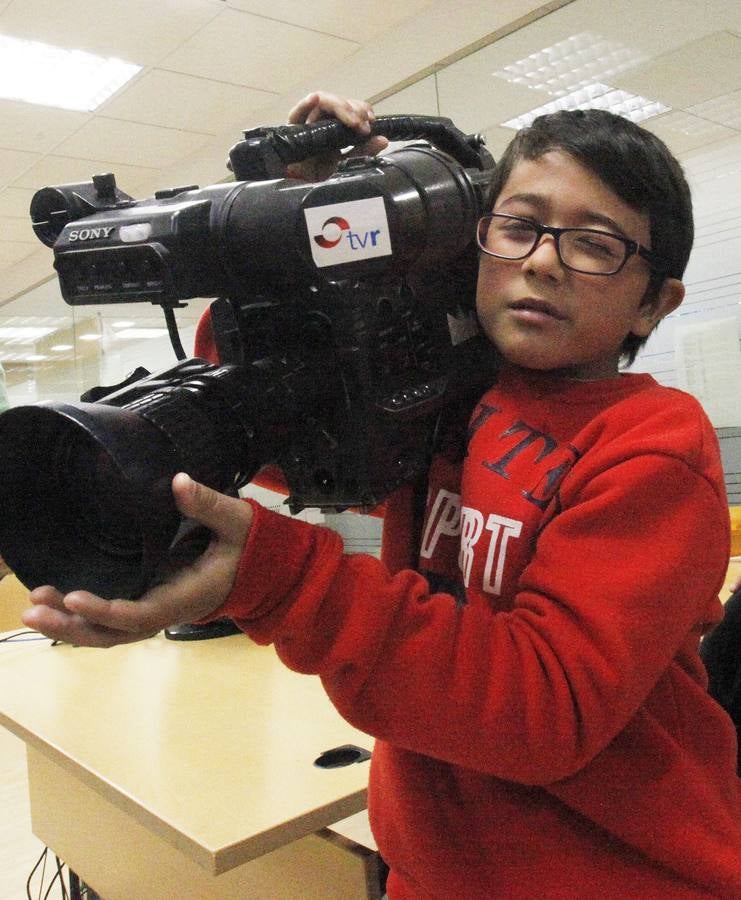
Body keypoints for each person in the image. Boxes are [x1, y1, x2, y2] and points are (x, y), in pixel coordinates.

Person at [22, 91, 741, 897]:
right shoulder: (449, 394)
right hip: (429, 872)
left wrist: (277, 579)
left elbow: (546, 710)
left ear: (654, 301)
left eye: (594, 244)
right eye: (518, 226)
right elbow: (278, 429)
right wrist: (305, 241)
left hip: (622, 876)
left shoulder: (651, 443)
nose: (541, 260)